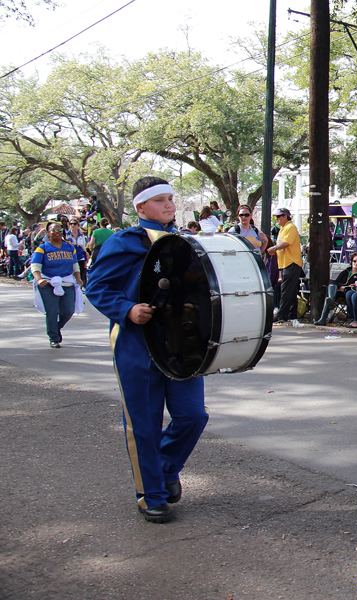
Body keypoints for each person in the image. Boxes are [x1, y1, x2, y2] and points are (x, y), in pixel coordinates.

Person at [85, 176, 209, 524]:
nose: (170, 205)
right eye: (160, 200)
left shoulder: (184, 241)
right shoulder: (125, 242)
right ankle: (150, 495)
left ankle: (166, 469)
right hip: (135, 343)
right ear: (141, 207)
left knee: (193, 416)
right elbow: (96, 286)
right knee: (144, 423)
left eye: (171, 199)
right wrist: (126, 309)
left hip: (180, 342)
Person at [31, 222, 85, 347]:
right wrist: (39, 279)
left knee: (68, 310)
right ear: (48, 232)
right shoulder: (42, 248)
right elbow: (35, 266)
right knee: (52, 311)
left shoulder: (70, 248)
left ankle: (56, 328)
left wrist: (78, 277)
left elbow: (74, 265)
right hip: (48, 282)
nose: (57, 232)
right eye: (54, 230)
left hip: (67, 281)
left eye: (60, 230)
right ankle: (54, 338)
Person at [267, 208, 305, 323]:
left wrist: (274, 248)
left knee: (286, 290)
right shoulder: (282, 229)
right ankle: (292, 315)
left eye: (279, 216)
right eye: (276, 217)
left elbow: (286, 243)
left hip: (291, 263)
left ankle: (281, 315)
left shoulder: (290, 227)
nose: (277, 219)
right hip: (284, 263)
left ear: (285, 217)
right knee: (291, 290)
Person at [314, 252, 357, 325]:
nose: (356, 263)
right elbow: (338, 281)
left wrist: (345, 287)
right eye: (354, 261)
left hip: (348, 292)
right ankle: (327, 310)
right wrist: (339, 287)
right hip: (338, 291)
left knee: (345, 292)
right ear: (351, 262)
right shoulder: (346, 271)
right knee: (332, 283)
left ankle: (326, 313)